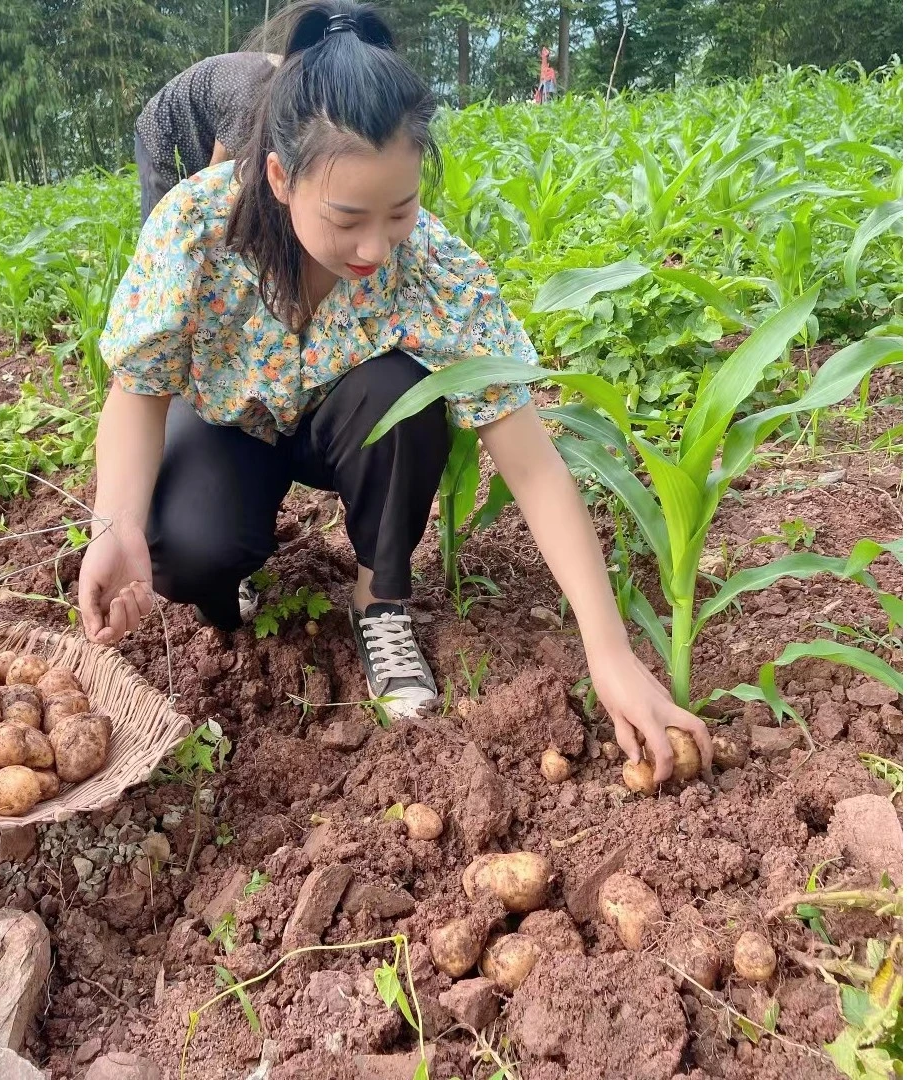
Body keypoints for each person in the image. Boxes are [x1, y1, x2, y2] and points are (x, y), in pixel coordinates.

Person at [82, 0, 711, 781]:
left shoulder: (434, 269)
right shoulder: (196, 229)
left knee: (405, 396)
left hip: (344, 424)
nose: (376, 247)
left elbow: (533, 463)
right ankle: (225, 582)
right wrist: (115, 525)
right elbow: (138, 393)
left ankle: (379, 599)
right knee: (186, 548)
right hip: (227, 421)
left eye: (400, 211)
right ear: (280, 177)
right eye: (347, 218)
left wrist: (608, 650)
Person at [134, 51, 281, 224]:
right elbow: (214, 179)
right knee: (164, 221)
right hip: (161, 131)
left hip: (200, 136)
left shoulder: (286, 75)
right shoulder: (250, 99)